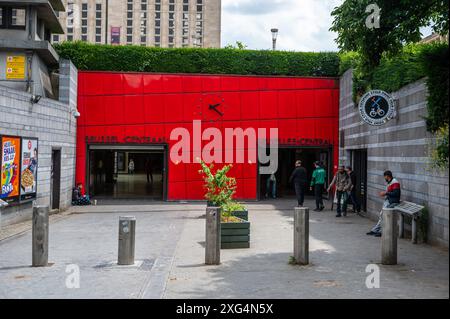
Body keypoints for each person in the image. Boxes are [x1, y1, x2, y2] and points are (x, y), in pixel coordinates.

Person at [367, 171, 401, 237]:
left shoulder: (395, 182)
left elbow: (396, 193)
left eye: (384, 176)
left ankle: (381, 231)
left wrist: (386, 193)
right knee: (382, 215)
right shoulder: (390, 182)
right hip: (389, 201)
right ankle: (376, 230)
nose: (384, 178)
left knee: (384, 216)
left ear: (387, 176)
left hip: (392, 202)